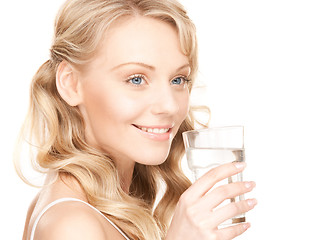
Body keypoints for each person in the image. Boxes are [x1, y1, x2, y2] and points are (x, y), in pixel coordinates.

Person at [15, 0, 257, 239]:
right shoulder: (74, 227)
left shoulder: (92, 205)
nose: (169, 105)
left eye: (178, 79)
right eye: (136, 79)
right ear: (71, 83)